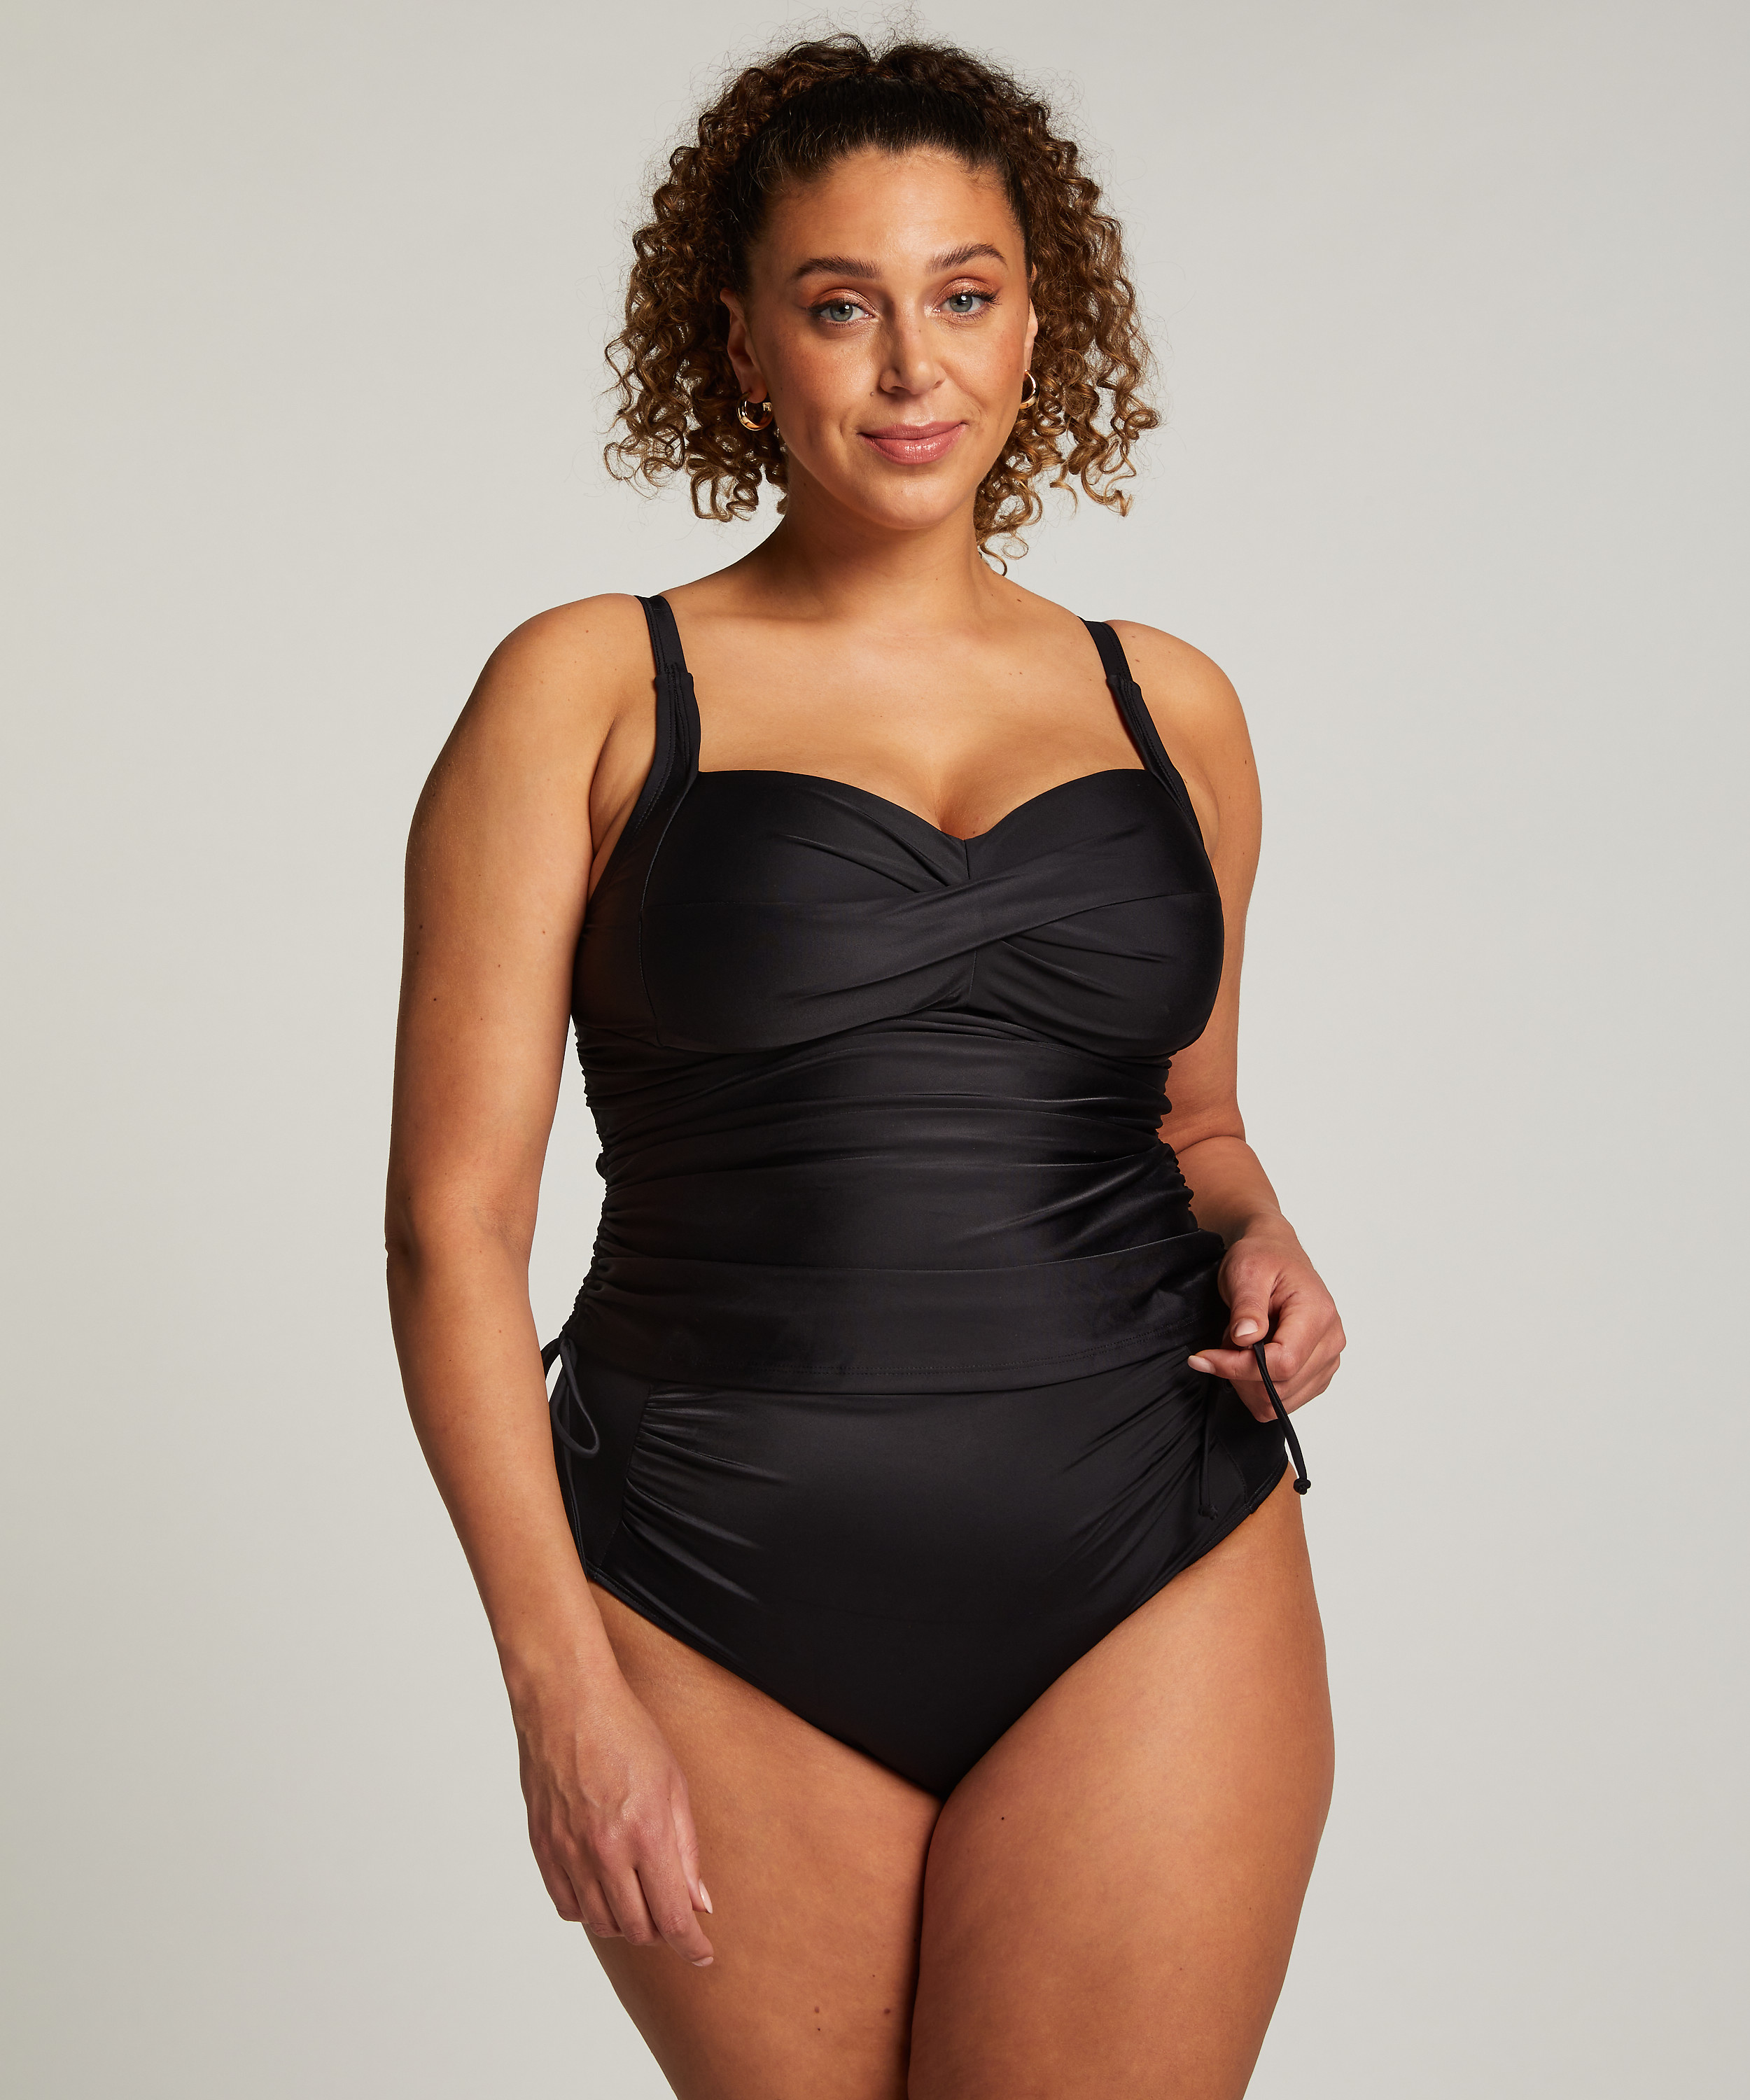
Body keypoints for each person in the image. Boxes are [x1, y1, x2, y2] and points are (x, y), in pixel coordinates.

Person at [386, 33, 1343, 2100]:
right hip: (714, 1568)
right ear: (740, 347)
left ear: (1036, 323)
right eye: (842, 306)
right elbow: (450, 1232)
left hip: (1153, 1541)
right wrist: (558, 1686)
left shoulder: (1168, 704)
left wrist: (1265, 1233)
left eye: (963, 294)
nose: (914, 366)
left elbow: (1194, 1119)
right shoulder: (589, 685)